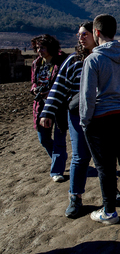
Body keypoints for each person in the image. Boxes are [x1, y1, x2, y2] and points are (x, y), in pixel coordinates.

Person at [80, 14, 120, 224]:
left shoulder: (93, 60)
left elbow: (88, 96)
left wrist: (85, 121)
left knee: (105, 168)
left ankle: (109, 211)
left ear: (96, 33)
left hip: (101, 120)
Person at [39, 22, 96, 218]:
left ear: (96, 34)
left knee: (104, 158)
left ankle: (112, 192)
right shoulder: (73, 61)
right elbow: (59, 87)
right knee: (80, 157)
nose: (81, 37)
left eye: (85, 34)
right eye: (79, 34)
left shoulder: (104, 59)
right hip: (77, 115)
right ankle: (75, 197)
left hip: (102, 116)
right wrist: (47, 112)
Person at [30, 34, 68, 183]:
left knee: (59, 139)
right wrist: (35, 89)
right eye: (38, 47)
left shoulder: (61, 63)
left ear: (50, 47)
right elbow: (33, 81)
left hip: (58, 106)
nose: (40, 50)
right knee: (43, 138)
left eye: (43, 47)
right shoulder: (36, 64)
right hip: (40, 106)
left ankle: (57, 170)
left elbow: (65, 83)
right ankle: (59, 158)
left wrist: (51, 91)